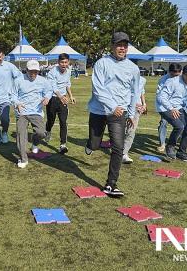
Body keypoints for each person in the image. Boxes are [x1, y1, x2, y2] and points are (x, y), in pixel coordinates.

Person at [85, 32, 140, 197]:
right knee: (95, 145)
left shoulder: (133, 68)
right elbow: (98, 89)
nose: (121, 48)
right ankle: (90, 145)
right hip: (99, 110)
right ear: (112, 46)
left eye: (124, 45)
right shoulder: (101, 63)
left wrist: (130, 113)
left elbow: (134, 92)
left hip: (119, 113)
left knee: (118, 147)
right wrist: (111, 105)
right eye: (118, 45)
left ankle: (111, 184)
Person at [11, 60, 53, 168]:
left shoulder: (43, 81)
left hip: (36, 111)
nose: (33, 73)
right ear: (26, 70)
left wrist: (47, 98)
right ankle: (23, 159)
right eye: (31, 71)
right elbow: (13, 95)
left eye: (36, 71)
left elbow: (49, 91)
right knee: (21, 135)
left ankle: (34, 142)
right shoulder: (18, 80)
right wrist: (17, 103)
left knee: (42, 133)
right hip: (22, 112)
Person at [44, 53, 76, 154]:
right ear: (58, 62)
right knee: (51, 121)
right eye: (62, 62)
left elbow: (67, 84)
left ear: (68, 62)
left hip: (63, 100)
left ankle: (63, 145)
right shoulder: (52, 72)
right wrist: (61, 97)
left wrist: (70, 96)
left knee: (63, 121)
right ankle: (48, 131)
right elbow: (53, 87)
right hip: (53, 99)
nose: (64, 64)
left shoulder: (69, 71)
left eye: (66, 62)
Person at [156, 63, 183, 153]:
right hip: (166, 107)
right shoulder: (163, 80)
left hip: (178, 105)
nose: (175, 77)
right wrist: (169, 107)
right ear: (169, 72)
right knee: (163, 122)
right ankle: (162, 143)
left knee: (183, 124)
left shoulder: (182, 78)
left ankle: (180, 143)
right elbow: (160, 97)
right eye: (173, 75)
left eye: (177, 75)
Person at [123, 76, 147, 163]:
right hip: (123, 107)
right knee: (121, 130)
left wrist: (144, 104)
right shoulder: (122, 78)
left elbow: (141, 92)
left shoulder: (143, 79)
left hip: (136, 109)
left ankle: (124, 154)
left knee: (131, 131)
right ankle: (118, 150)